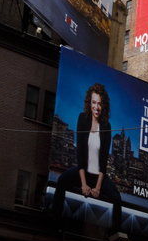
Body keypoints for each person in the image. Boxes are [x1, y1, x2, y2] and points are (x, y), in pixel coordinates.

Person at [51, 84, 122, 230]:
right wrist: (83, 184)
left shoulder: (106, 126)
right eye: (94, 102)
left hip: (98, 176)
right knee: (62, 180)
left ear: (104, 106)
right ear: (89, 103)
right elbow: (81, 153)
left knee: (117, 197)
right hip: (82, 171)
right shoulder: (82, 119)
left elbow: (103, 160)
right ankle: (55, 224)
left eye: (100, 103)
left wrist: (97, 187)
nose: (96, 107)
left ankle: (115, 235)